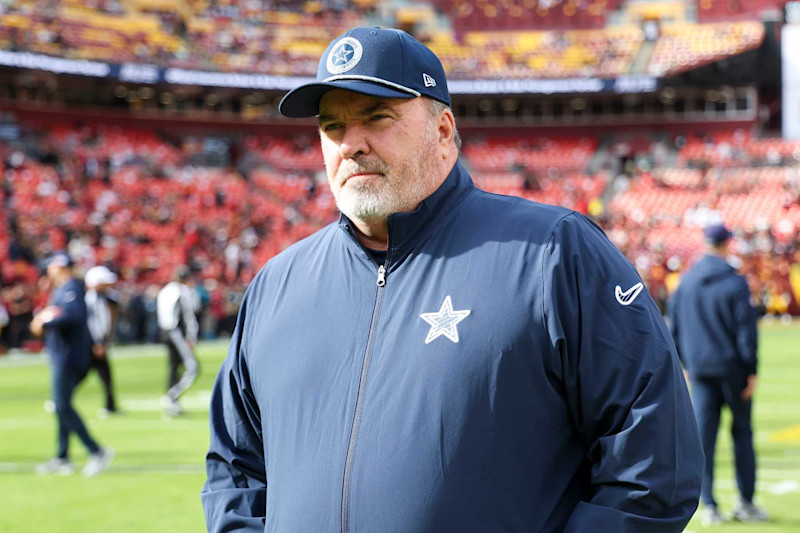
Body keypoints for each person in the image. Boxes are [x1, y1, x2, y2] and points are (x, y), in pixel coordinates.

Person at [202, 27, 703, 532]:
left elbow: (653, 459)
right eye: (333, 127)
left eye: (378, 118)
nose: (351, 145)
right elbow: (235, 469)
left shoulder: (551, 252)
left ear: (443, 131)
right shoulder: (276, 285)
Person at [668, 223, 767, 526]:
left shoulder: (686, 282)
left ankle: (708, 504)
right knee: (741, 433)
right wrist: (751, 370)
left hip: (699, 370)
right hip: (732, 370)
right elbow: (745, 332)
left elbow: (674, 328)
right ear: (726, 244)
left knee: (703, 439)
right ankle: (746, 502)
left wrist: (684, 363)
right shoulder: (735, 282)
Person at [30, 251, 114, 477]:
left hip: (68, 358)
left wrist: (45, 320)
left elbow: (72, 317)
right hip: (63, 355)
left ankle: (96, 451)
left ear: (59, 268)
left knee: (62, 405)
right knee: (61, 406)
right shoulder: (63, 289)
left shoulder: (72, 289)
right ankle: (62, 456)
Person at [156, 266, 199, 417]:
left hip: (165, 332)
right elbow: (188, 315)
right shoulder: (183, 291)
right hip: (177, 332)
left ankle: (173, 404)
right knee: (193, 367)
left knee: (174, 366)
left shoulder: (165, 290)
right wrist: (191, 336)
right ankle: (171, 396)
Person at [84, 265, 120, 417]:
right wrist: (98, 342)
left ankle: (110, 405)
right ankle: (60, 400)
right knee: (79, 374)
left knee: (104, 375)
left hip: (99, 342)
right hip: (93, 344)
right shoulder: (91, 299)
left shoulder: (104, 297)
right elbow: (94, 323)